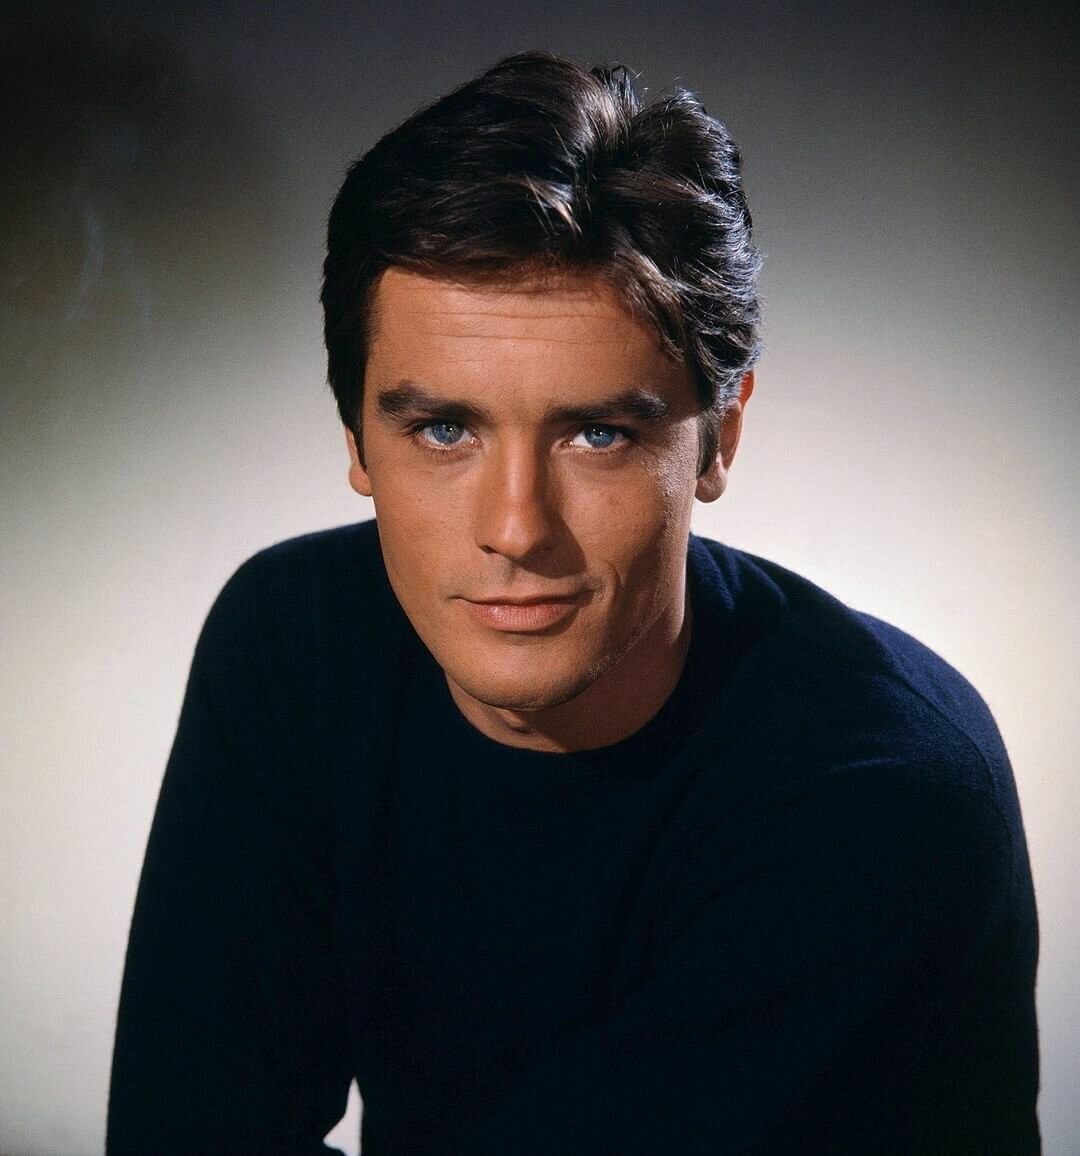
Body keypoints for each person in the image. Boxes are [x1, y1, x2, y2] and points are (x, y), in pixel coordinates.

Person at [106, 51, 1040, 1154]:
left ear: (719, 437)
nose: (516, 528)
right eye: (443, 429)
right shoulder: (292, 643)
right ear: (356, 438)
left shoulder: (882, 789)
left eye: (598, 433)